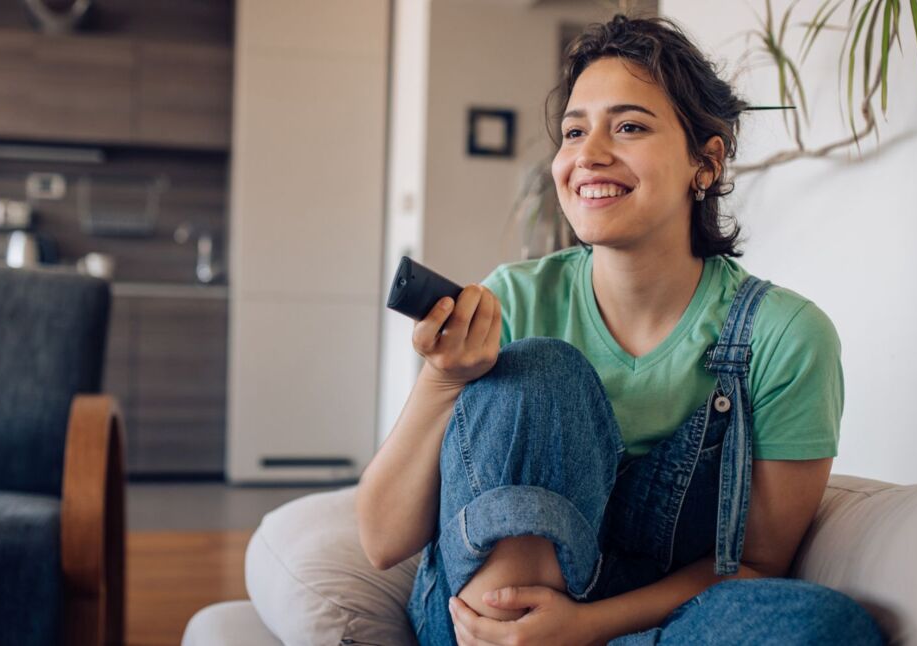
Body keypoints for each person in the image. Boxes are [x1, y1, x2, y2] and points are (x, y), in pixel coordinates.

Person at [356, 14, 886, 646]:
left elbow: (756, 565)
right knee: (543, 371)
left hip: (639, 622)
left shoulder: (786, 336)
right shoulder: (515, 297)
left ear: (706, 163)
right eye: (574, 131)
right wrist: (444, 380)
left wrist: (584, 628)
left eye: (630, 127)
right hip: (485, 624)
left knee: (827, 627)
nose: (588, 155)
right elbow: (382, 541)